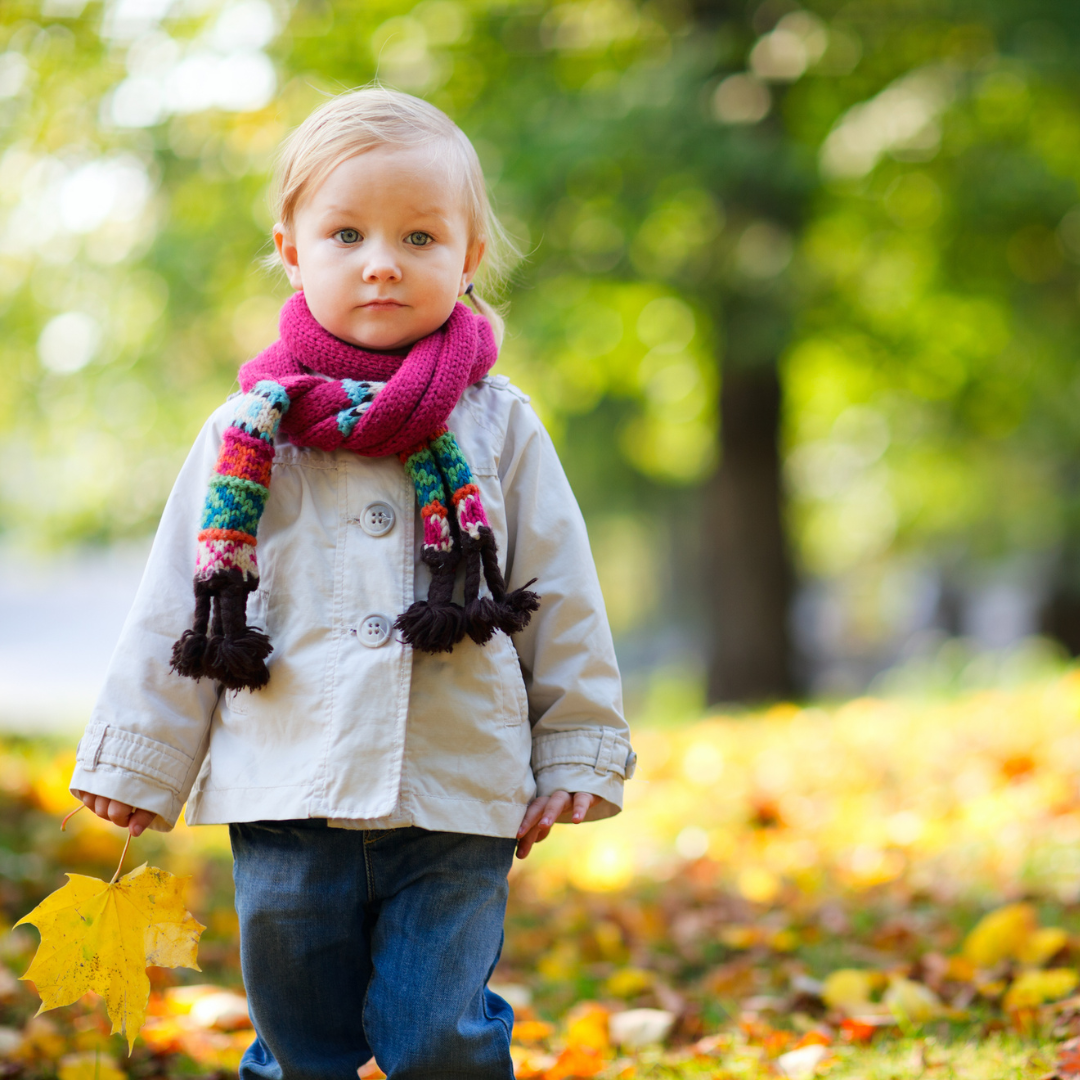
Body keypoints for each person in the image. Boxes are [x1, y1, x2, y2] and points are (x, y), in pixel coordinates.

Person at [68, 87, 634, 1080]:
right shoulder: (246, 432)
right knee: (300, 1038)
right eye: (346, 233)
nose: (382, 259)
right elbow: (180, 601)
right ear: (292, 250)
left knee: (439, 1033)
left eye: (419, 236)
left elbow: (560, 590)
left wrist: (577, 747)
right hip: (286, 780)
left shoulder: (497, 426)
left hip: (457, 784)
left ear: (466, 259)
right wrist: (138, 759)